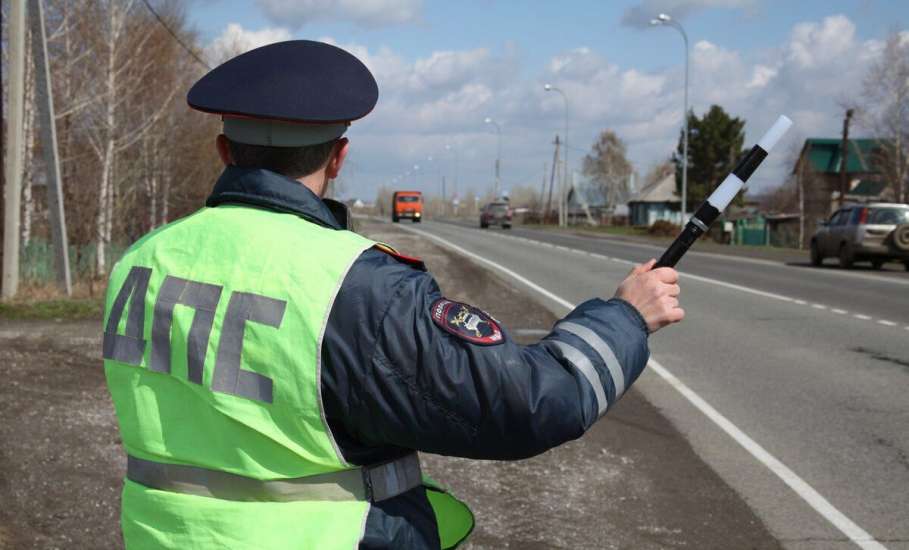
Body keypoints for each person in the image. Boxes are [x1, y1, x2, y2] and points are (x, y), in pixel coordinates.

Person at [102, 40, 684, 550]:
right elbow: (530, 402)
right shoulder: (355, 287)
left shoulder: (142, 258)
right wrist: (627, 317)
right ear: (339, 156)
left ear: (225, 152)